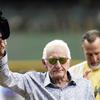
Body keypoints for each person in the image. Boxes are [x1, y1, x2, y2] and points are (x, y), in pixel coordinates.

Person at [0, 39, 94, 100]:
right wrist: (1, 54)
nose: (58, 65)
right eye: (52, 60)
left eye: (62, 60)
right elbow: (5, 79)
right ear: (44, 63)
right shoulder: (32, 82)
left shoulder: (85, 86)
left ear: (69, 61)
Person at [69, 29, 100, 100]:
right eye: (89, 55)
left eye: (97, 53)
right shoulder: (73, 73)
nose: (94, 59)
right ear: (83, 49)